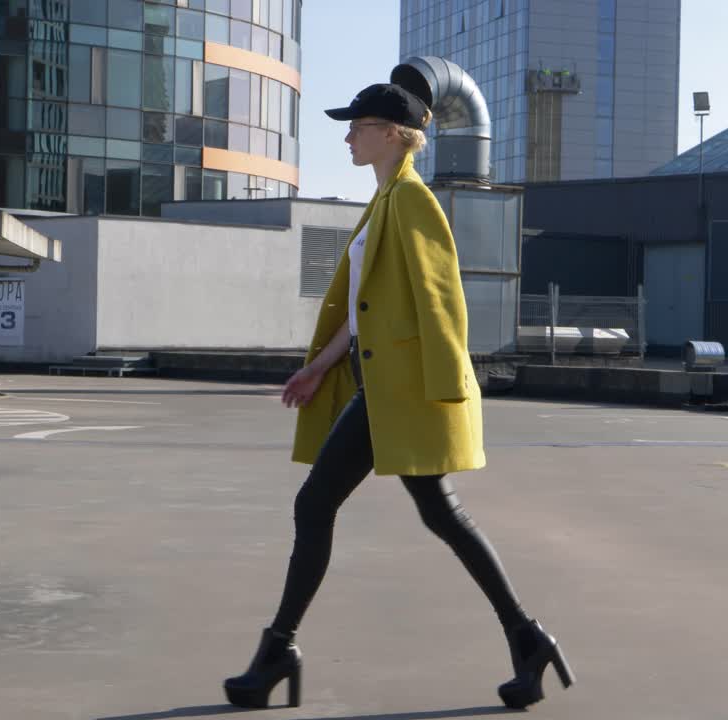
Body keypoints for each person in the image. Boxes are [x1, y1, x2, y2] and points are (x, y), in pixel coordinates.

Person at [223, 82, 574, 711]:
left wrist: (444, 393)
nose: (348, 135)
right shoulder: (384, 198)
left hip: (404, 391)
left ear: (390, 131)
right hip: (379, 385)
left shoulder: (411, 200)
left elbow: (443, 304)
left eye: (356, 125)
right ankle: (528, 640)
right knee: (439, 515)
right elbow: (364, 314)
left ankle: (278, 652)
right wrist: (318, 368)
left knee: (317, 505)